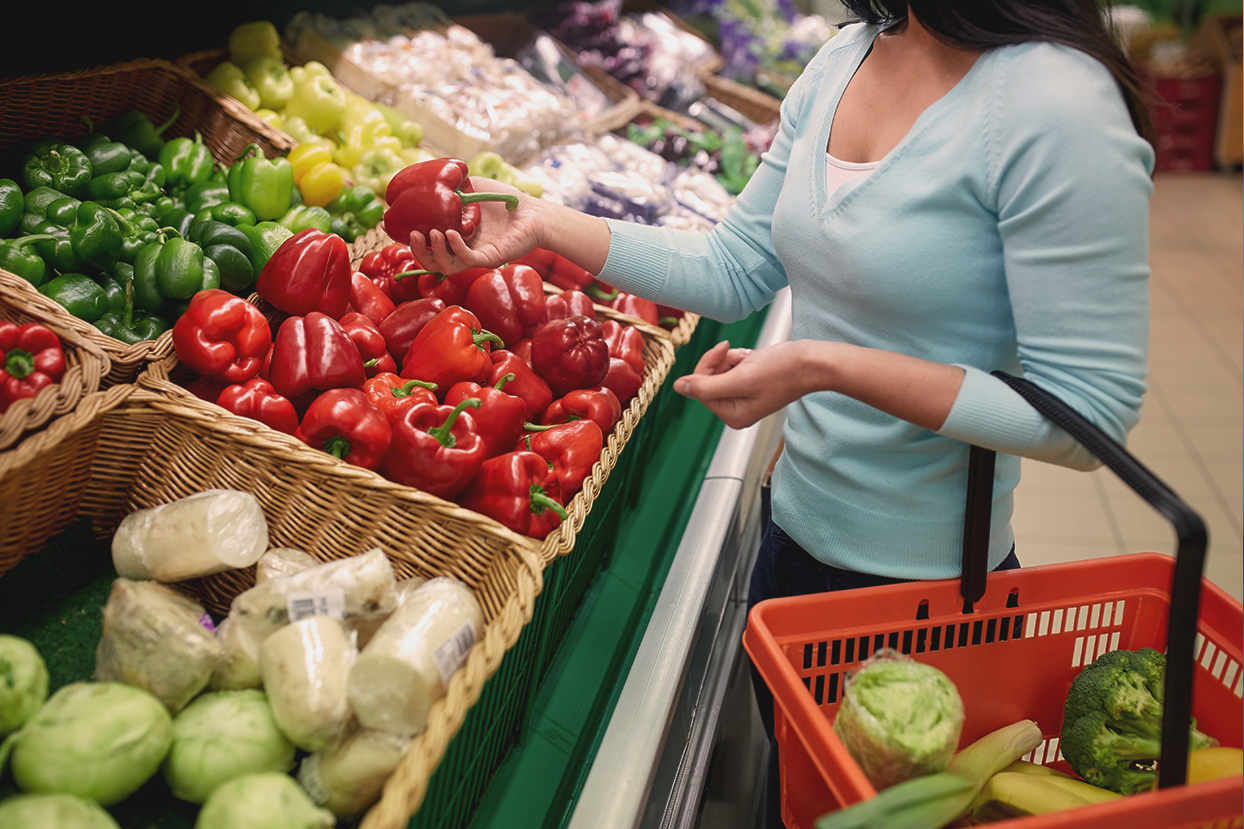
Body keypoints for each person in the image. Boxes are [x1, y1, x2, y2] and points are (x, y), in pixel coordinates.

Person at [408, 0, 1154, 823]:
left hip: (932, 603)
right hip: (789, 559)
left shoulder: (1056, 101)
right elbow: (734, 266)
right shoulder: (848, 58)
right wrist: (543, 224)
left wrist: (821, 366)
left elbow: (1087, 416)